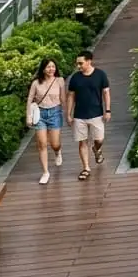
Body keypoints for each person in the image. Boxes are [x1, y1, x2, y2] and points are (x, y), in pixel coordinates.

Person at [66, 50, 111, 181]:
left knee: (99, 139)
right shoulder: (75, 78)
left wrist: (107, 110)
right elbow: (71, 96)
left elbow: (106, 93)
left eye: (81, 63)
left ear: (89, 61)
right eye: (77, 64)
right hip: (79, 115)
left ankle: (96, 149)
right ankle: (86, 168)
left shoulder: (100, 75)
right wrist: (68, 114)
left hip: (96, 113)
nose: (78, 66)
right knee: (82, 142)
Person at [25, 58, 64, 185]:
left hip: (55, 112)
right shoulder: (36, 83)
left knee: (54, 143)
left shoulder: (59, 81)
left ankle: (57, 152)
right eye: (48, 67)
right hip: (40, 114)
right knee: (42, 144)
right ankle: (45, 172)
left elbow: (63, 98)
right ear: (43, 69)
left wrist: (69, 114)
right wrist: (28, 116)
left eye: (53, 66)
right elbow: (30, 100)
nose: (51, 69)